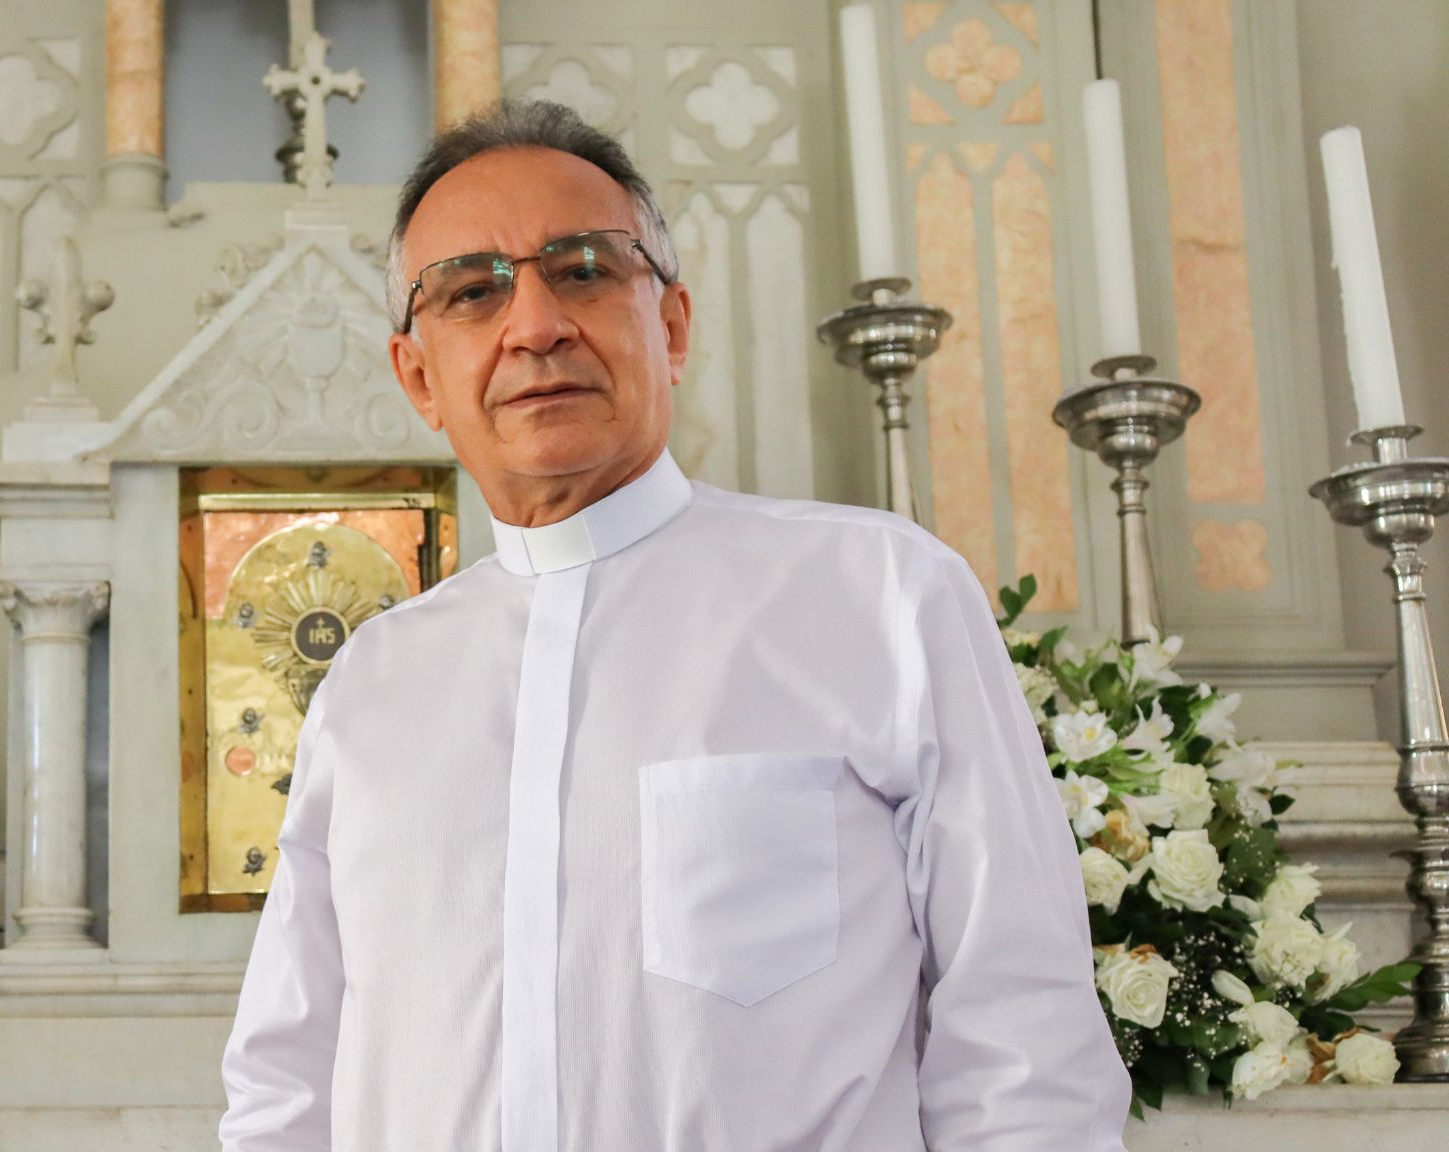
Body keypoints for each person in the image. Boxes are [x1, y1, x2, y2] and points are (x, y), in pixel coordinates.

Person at [218, 98, 1130, 1152]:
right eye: (472, 291)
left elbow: (1021, 1035)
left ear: (673, 326)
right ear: (419, 376)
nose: (534, 326)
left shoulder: (879, 596)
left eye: (582, 270)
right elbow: (287, 1078)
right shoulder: (374, 681)